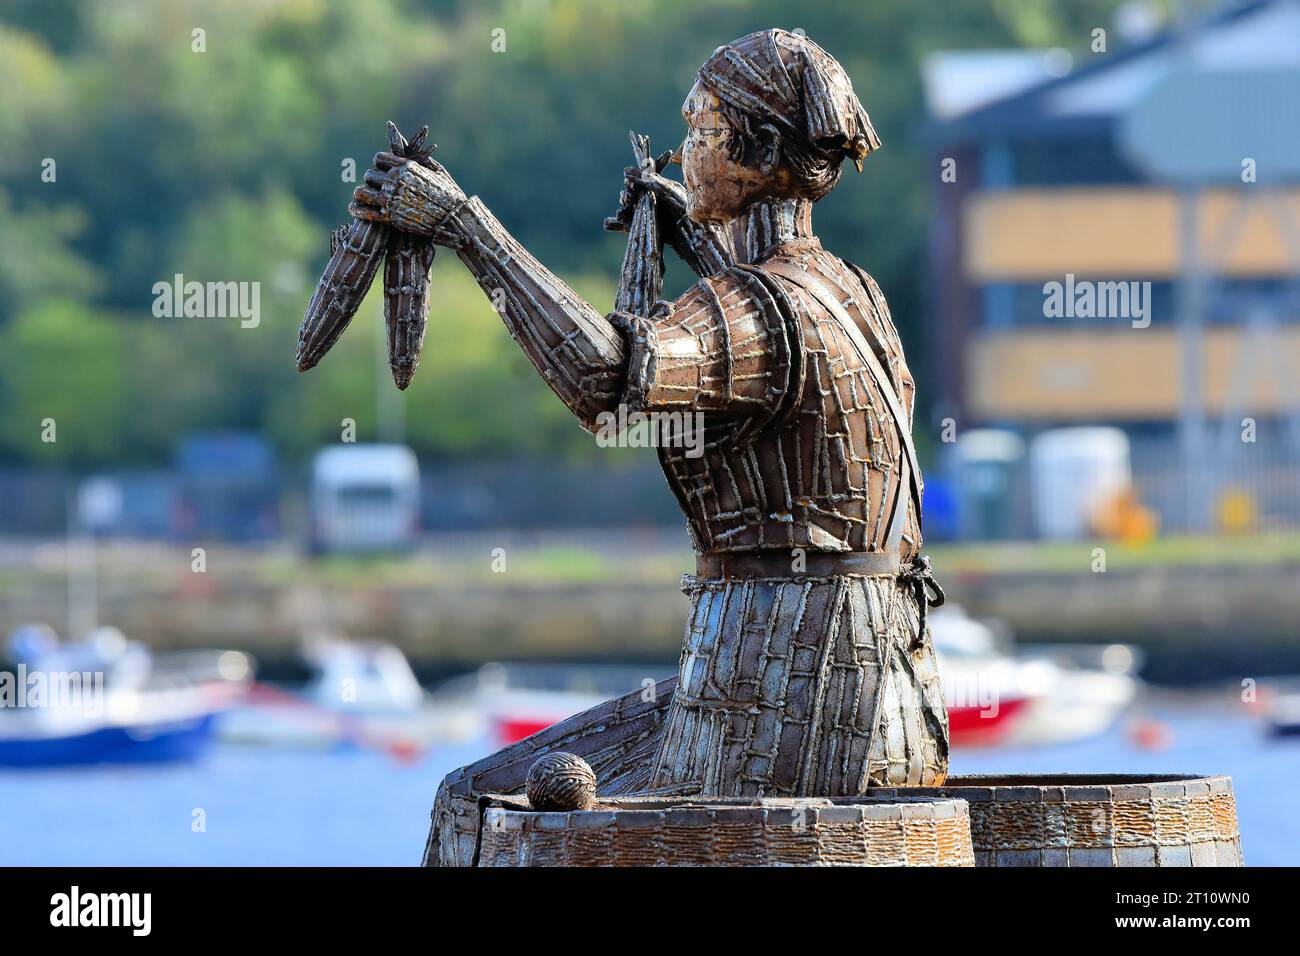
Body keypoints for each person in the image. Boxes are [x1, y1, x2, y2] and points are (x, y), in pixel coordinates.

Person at [352, 28, 947, 801]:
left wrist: (463, 224)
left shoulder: (756, 310)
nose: (684, 148)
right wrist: (700, 239)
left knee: (476, 800)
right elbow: (765, 366)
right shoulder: (855, 293)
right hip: (887, 694)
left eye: (700, 130)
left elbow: (605, 378)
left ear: (760, 152)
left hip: (777, 706)